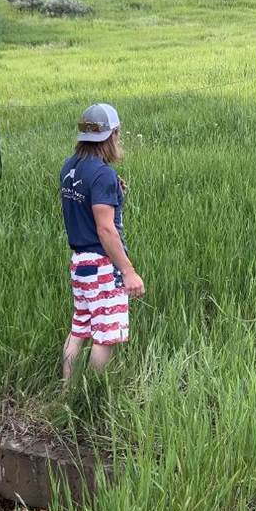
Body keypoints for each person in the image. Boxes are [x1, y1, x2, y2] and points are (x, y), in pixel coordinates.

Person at [60, 103, 144, 385]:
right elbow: (106, 229)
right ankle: (91, 396)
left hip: (79, 264)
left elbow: (85, 199)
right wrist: (128, 271)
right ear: (113, 134)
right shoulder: (102, 174)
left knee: (79, 329)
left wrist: (113, 190)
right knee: (105, 335)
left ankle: (67, 391)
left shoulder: (70, 167)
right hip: (101, 266)